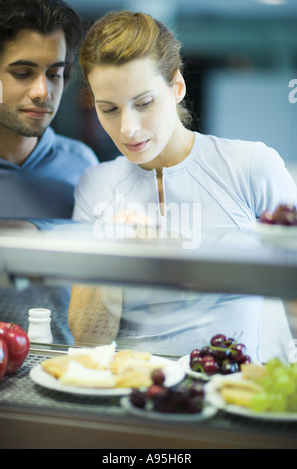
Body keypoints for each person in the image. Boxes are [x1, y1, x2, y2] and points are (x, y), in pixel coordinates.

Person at [71, 11, 297, 359]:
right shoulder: (97, 185)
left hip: (229, 391)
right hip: (134, 393)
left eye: (144, 103)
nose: (128, 128)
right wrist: (113, 248)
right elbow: (88, 340)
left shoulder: (251, 167)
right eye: (109, 109)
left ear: (177, 87)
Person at [0, 0, 98, 343]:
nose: (43, 92)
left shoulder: (82, 164)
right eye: (22, 73)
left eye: (54, 74)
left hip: (66, 375)